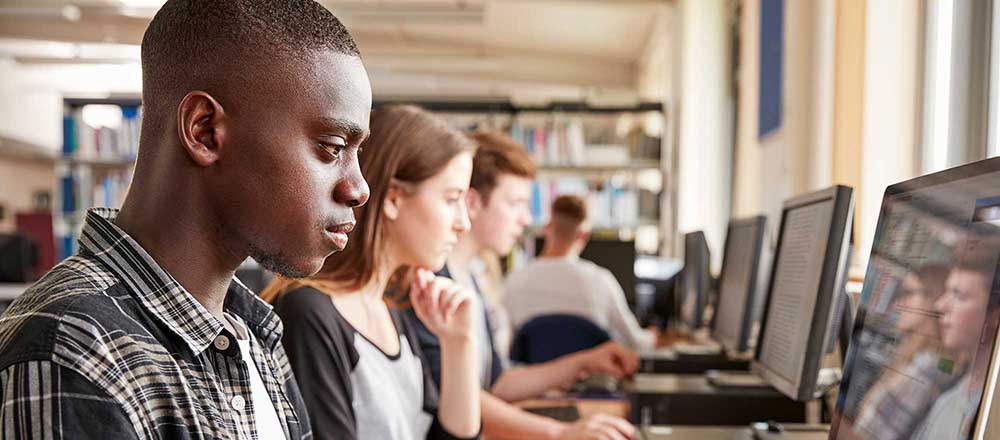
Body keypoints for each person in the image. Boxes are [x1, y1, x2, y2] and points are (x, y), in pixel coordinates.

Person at [0, 1, 371, 438]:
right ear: (204, 131)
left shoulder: (253, 331)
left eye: (356, 152)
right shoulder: (73, 349)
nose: (358, 188)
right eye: (331, 147)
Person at [262, 105, 481, 440]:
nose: (463, 224)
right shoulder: (309, 314)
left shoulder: (392, 306)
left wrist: (459, 343)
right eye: (451, 199)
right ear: (393, 199)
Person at [405, 130, 639, 440]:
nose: (526, 218)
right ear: (473, 202)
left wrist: (581, 363)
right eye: (515, 204)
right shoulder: (430, 284)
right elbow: (457, 394)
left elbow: (497, 384)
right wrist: (560, 433)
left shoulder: (472, 275)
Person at [505, 194, 658, 350]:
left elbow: (504, 344)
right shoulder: (601, 281)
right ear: (584, 235)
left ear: (547, 228)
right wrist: (654, 335)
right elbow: (636, 343)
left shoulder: (514, 281)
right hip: (589, 373)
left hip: (530, 374)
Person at [912, 244, 999, 440]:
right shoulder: (962, 385)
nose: (940, 305)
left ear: (995, 316)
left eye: (959, 295)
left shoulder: (983, 408)